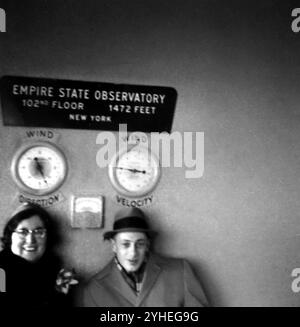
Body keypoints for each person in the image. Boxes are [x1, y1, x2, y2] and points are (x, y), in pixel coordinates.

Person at [76, 207, 209, 307]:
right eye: (125, 244)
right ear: (114, 246)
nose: (133, 253)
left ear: (147, 245)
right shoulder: (94, 288)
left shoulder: (180, 270)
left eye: (139, 244)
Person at [0, 203, 78, 307]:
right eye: (23, 232)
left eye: (38, 231)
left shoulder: (53, 269)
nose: (30, 240)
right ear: (10, 236)